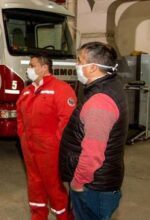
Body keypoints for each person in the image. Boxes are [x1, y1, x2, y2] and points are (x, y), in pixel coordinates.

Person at [60, 42, 128, 220]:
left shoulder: (99, 102)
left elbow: (92, 154)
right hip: (101, 182)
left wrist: (78, 183)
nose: (76, 65)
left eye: (79, 61)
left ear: (92, 68)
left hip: (93, 187)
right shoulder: (110, 85)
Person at [16, 54, 76, 220]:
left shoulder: (61, 89)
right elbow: (20, 118)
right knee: (35, 186)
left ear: (44, 68)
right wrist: (23, 137)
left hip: (51, 151)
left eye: (32, 65)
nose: (29, 69)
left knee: (54, 188)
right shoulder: (27, 92)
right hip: (29, 149)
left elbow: (67, 121)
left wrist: (55, 143)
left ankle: (64, 217)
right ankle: (38, 216)